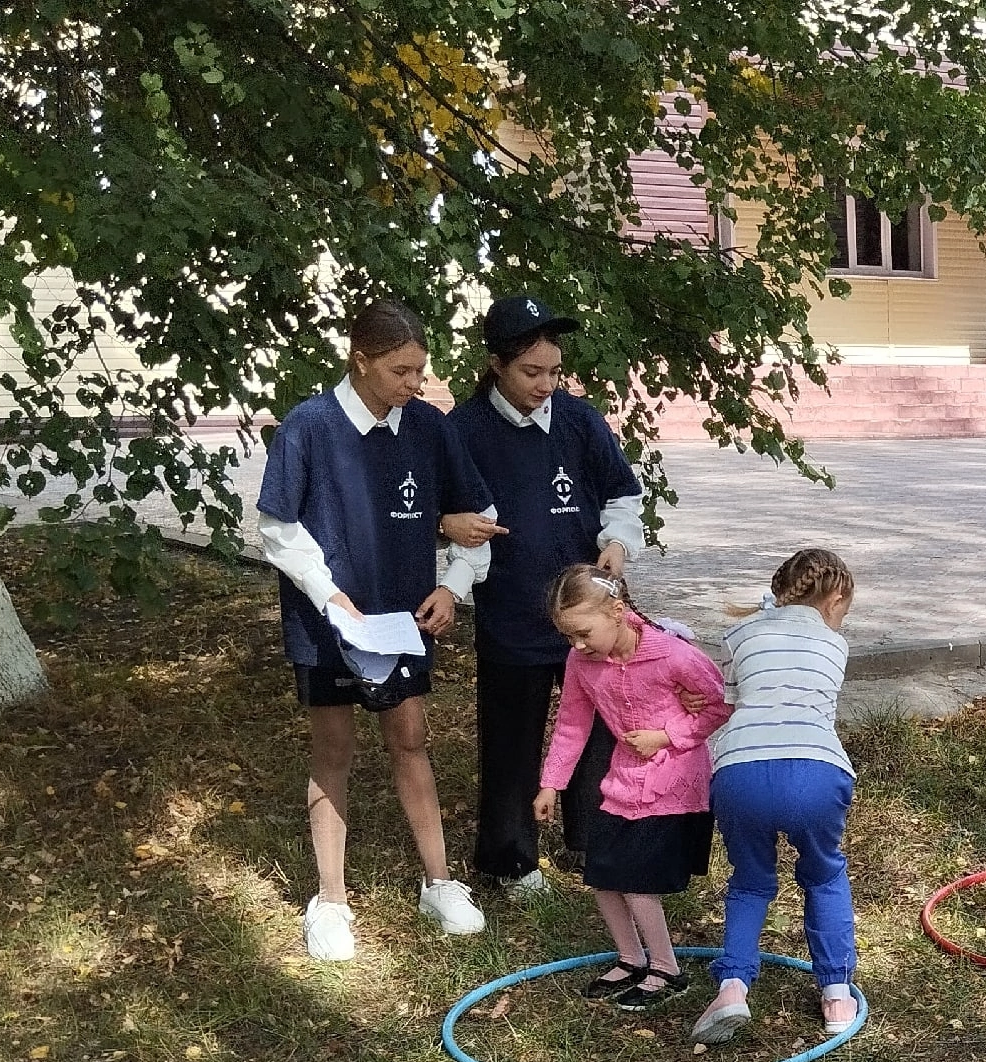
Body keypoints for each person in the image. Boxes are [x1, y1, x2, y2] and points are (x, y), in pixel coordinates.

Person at [256, 297, 499, 962]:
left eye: (420, 370)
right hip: (326, 622)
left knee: (410, 739)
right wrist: (332, 596)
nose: (414, 384)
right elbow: (278, 529)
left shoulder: (428, 426)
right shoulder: (309, 426)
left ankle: (440, 882)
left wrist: (452, 586)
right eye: (401, 370)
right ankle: (330, 900)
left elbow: (477, 518)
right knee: (332, 749)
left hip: (400, 623)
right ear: (360, 359)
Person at [450, 293, 644, 899]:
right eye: (532, 373)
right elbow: (448, 514)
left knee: (599, 723)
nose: (545, 385)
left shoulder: (581, 421)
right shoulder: (464, 431)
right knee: (512, 733)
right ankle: (512, 859)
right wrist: (449, 527)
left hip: (588, 611)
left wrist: (615, 542)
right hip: (512, 608)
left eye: (554, 372)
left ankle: (593, 839)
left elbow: (622, 496)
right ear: (497, 366)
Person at [534, 568, 729, 1010]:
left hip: (672, 784)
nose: (577, 646)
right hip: (621, 781)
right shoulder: (581, 662)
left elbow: (719, 704)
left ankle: (666, 967)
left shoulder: (674, 656)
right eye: (568, 637)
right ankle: (630, 957)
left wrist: (667, 735)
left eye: (583, 633)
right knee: (603, 873)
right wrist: (551, 784)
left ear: (618, 612)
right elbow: (571, 724)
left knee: (638, 881)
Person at [690, 548, 862, 1044]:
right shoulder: (834, 643)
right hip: (816, 769)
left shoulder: (739, 635)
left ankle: (733, 986)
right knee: (823, 873)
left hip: (740, 771)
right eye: (845, 610)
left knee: (749, 881)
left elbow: (729, 696)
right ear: (835, 598)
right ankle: (835, 992)